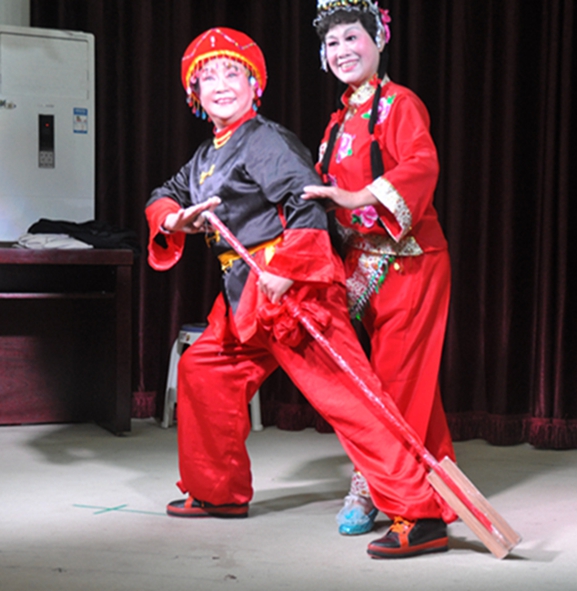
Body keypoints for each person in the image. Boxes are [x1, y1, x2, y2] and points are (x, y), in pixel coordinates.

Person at [144, 27, 455, 559]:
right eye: (208, 77)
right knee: (204, 370)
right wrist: (176, 218)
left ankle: (419, 513)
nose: (221, 85)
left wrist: (288, 269)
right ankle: (218, 492)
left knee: (350, 399)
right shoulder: (205, 157)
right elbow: (164, 194)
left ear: (254, 85)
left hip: (292, 291)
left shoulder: (265, 140)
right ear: (194, 93)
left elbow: (306, 202)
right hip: (243, 295)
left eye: (233, 73)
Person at [303, 0, 456, 536]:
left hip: (409, 260)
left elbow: (421, 165)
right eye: (332, 43)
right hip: (363, 264)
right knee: (405, 383)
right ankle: (438, 479)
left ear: (379, 40)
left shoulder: (399, 104)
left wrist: (354, 196)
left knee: (393, 383)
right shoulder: (338, 120)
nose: (342, 50)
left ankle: (374, 487)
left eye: (352, 37)